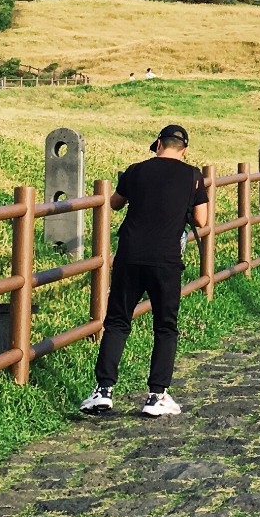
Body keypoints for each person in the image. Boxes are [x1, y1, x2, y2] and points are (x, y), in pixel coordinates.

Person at [82, 124, 209, 418]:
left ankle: (103, 391)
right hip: (166, 260)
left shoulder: (136, 170)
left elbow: (114, 204)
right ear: (185, 150)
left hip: (130, 256)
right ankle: (157, 395)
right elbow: (202, 220)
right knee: (165, 326)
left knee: (117, 321)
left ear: (157, 144)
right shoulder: (192, 176)